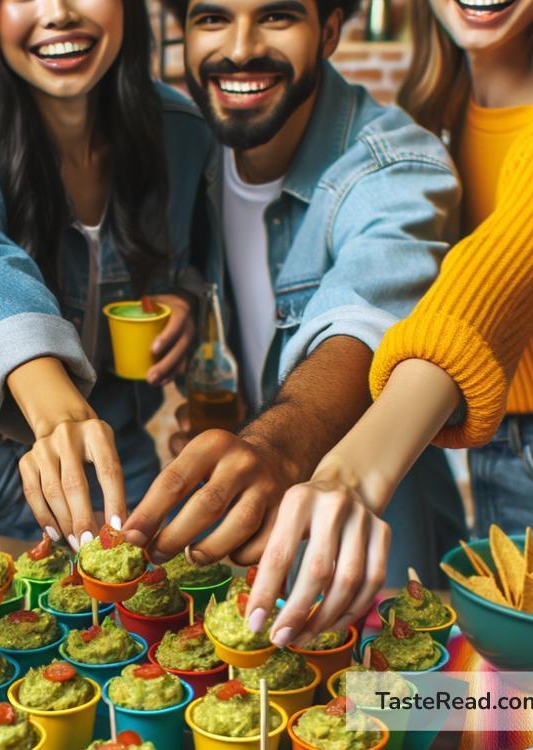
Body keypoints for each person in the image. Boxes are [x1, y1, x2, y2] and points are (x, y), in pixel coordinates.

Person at [122, 0, 467, 646]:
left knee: (425, 727)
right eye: (212, 18)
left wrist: (272, 448)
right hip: (253, 571)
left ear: (330, 30)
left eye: (276, 16)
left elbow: (365, 323)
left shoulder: (394, 164)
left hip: (385, 574)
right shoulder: (191, 153)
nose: (240, 47)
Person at [249, 0, 533, 647]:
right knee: (501, 698)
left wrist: (350, 472)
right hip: (490, 451)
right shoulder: (445, 114)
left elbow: (482, 290)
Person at [0, 0, 213, 547]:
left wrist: (182, 297)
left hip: (110, 441)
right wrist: (52, 403)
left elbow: (193, 256)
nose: (58, 13)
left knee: (137, 615)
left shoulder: (182, 133)